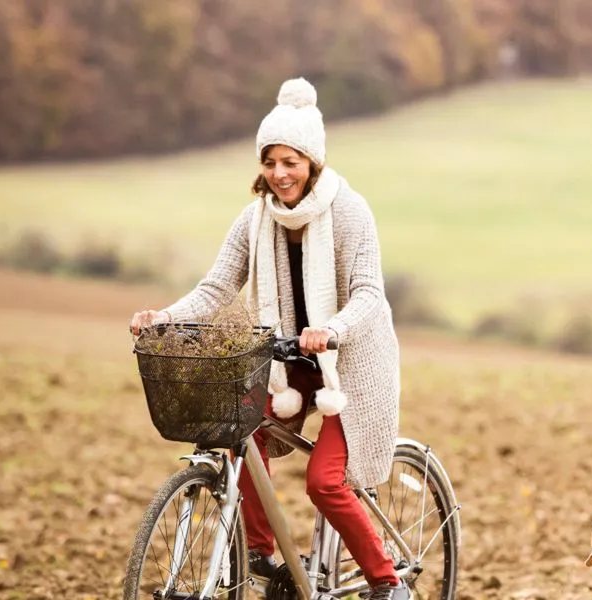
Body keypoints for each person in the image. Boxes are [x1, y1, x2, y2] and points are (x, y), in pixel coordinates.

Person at [129, 77, 408, 599]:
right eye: (270, 162)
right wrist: (162, 317)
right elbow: (216, 286)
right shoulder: (256, 219)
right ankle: (260, 556)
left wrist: (333, 329)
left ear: (313, 163)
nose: (279, 174)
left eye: (291, 162)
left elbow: (369, 293)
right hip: (285, 360)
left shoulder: (349, 212)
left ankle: (387, 582)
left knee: (325, 482)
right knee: (236, 438)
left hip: (352, 366)